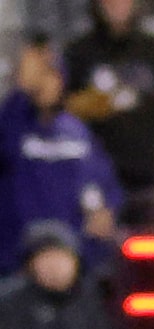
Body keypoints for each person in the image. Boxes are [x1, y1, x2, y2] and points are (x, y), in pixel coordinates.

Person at [60, 0, 154, 222]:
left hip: (145, 175)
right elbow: (53, 109)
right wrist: (76, 106)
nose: (117, 4)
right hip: (92, 177)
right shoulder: (78, 54)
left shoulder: (153, 51)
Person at [0, 41, 120, 274]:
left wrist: (107, 209)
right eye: (40, 77)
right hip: (18, 258)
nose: (45, 84)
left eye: (52, 76)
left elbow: (104, 185)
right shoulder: (12, 126)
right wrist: (21, 94)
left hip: (74, 258)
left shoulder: (77, 132)